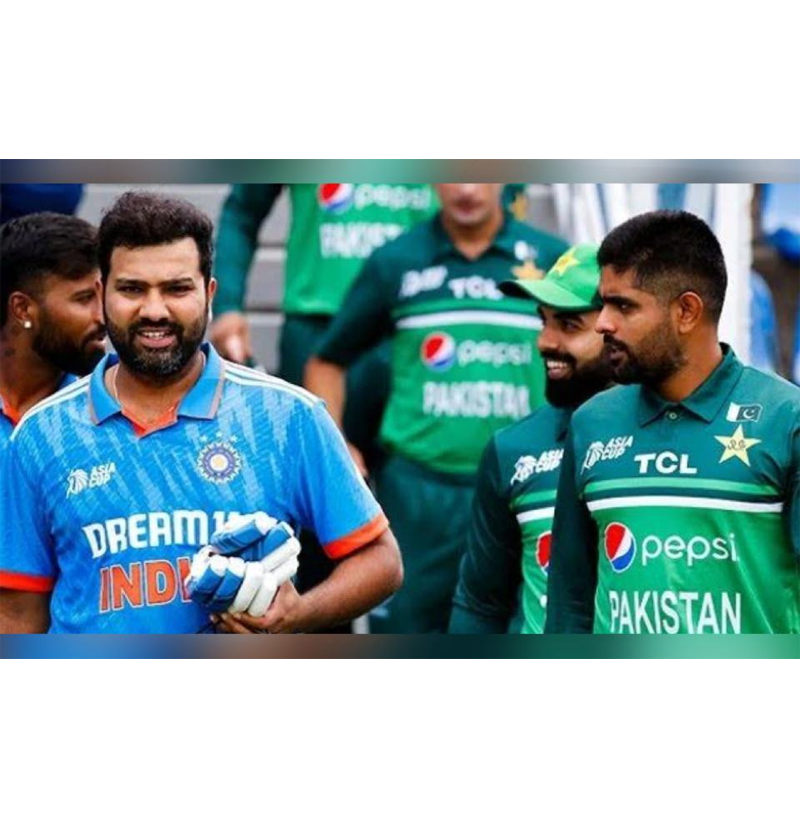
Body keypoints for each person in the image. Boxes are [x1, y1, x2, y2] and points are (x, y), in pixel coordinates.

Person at [0, 191, 402, 634]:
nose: (155, 311)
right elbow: (17, 612)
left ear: (209, 293)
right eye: (132, 289)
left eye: (177, 288)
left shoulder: (288, 416)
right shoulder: (40, 434)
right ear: (102, 294)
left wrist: (297, 614)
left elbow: (380, 559)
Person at [306, 184, 569, 632]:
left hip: (526, 487)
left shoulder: (551, 260)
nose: (466, 187)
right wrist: (338, 447)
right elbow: (327, 361)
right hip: (419, 494)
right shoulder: (396, 260)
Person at [545, 210, 800, 634]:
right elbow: (569, 604)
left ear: (686, 311)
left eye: (622, 305)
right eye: (603, 303)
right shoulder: (592, 422)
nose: (603, 322)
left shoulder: (785, 418)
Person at [210, 183, 437, 608]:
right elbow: (243, 209)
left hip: (417, 333)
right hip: (316, 333)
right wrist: (229, 305)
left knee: (420, 507)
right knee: (314, 522)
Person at [449, 245, 613, 633]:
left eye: (569, 325)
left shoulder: (673, 433)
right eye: (543, 321)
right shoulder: (512, 448)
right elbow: (479, 604)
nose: (545, 341)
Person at [0, 212, 105, 460]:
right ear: (22, 309)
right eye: (84, 299)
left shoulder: (108, 412)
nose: (103, 317)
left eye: (105, 295)